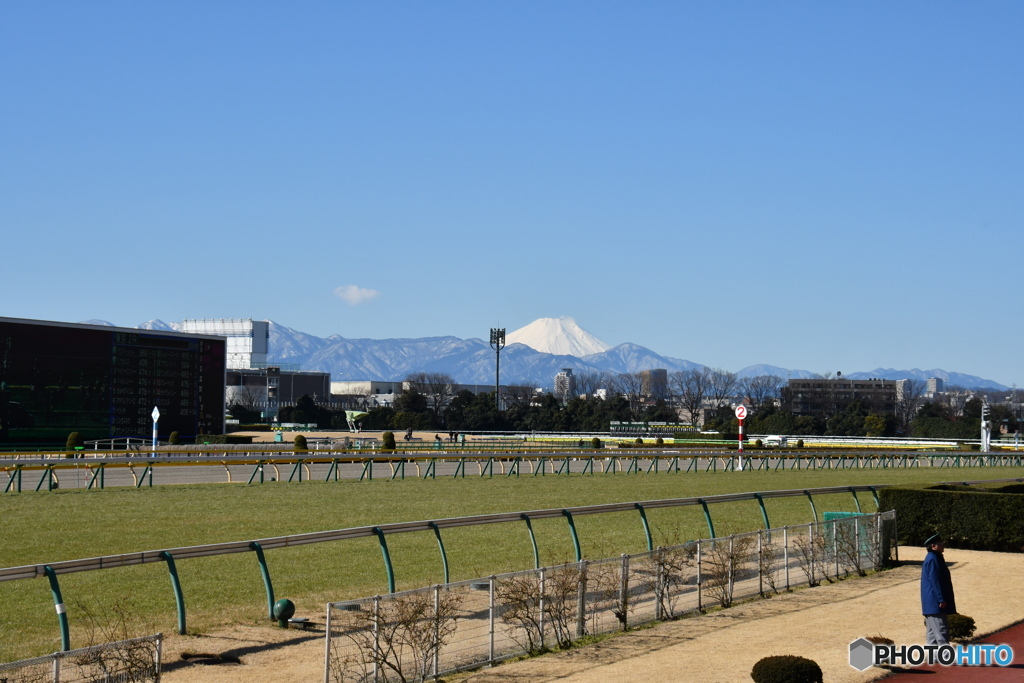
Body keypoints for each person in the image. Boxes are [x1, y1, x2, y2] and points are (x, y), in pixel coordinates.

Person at [921, 532, 956, 645]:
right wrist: (941, 599)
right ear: (933, 546)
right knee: (941, 631)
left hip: (930, 603)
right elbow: (936, 581)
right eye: (940, 543)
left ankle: (932, 658)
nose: (943, 545)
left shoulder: (933, 558)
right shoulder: (933, 559)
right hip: (935, 603)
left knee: (931, 634)